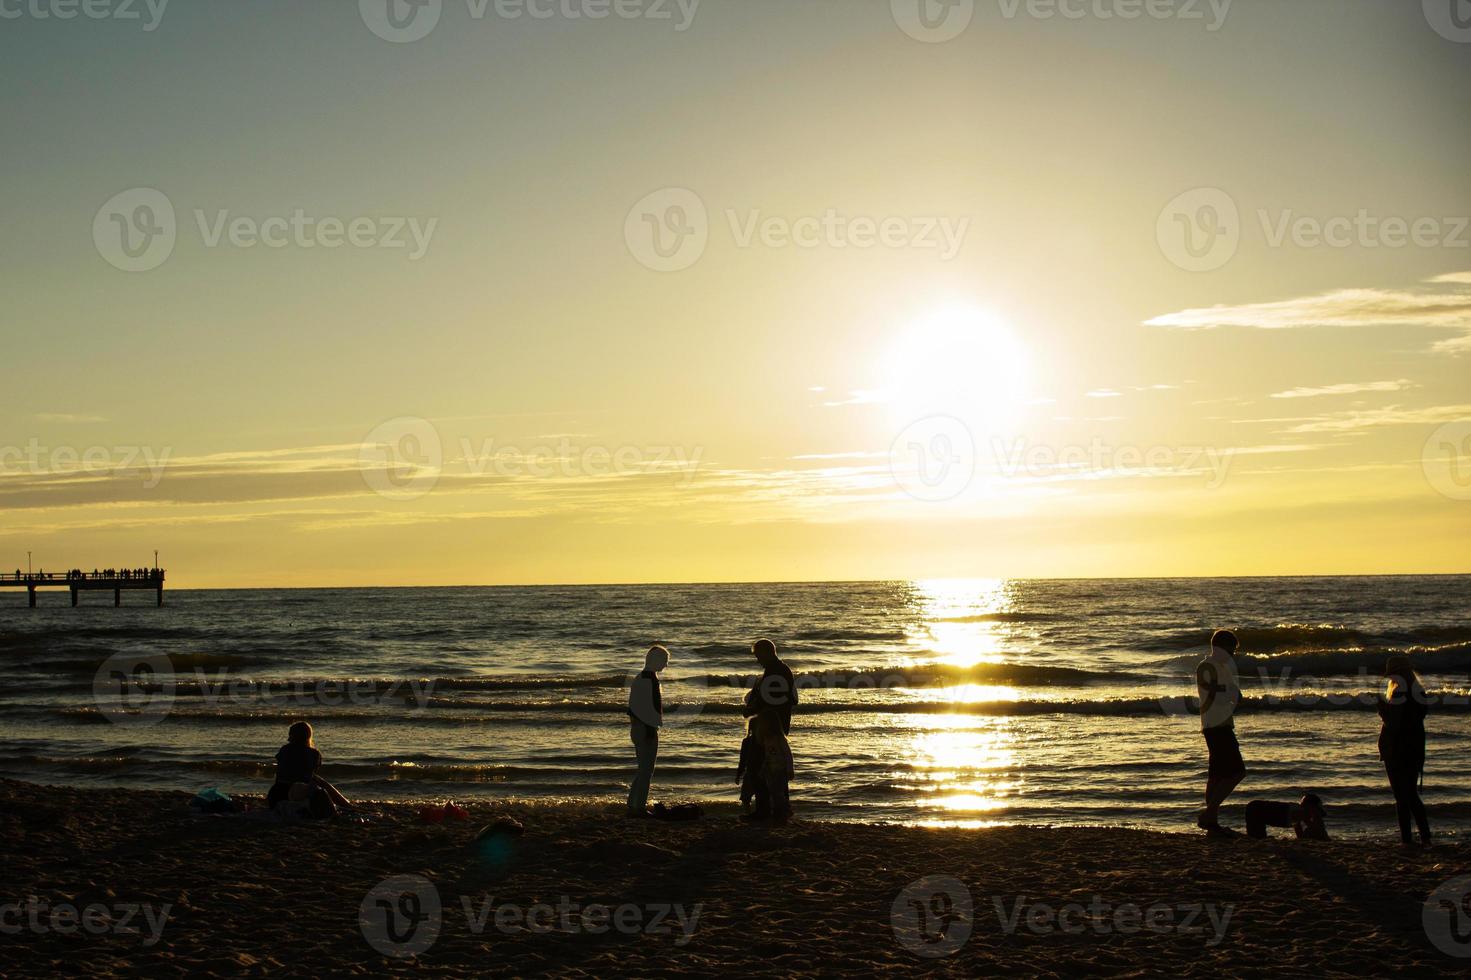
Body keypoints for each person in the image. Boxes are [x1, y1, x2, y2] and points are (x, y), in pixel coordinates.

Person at [1196, 628, 1245, 838]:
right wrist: (1232, 693)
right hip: (1215, 725)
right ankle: (1209, 814)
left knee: (1216, 775)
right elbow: (1215, 691)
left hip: (1221, 723)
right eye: (1230, 649)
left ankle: (1212, 823)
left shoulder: (1222, 667)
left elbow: (1232, 692)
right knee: (1237, 771)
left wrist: (1234, 694)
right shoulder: (1207, 666)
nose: (1233, 654)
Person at [1379, 656, 1431, 847]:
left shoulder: (1399, 692)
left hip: (1397, 750)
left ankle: (1407, 840)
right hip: (1415, 748)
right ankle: (1425, 836)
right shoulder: (1418, 692)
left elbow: (1393, 724)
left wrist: (1381, 709)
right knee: (1410, 795)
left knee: (1402, 797)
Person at [266, 721, 351, 818]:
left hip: (276, 793)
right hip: (295, 792)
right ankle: (345, 805)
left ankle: (345, 804)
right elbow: (310, 774)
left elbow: (280, 772)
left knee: (318, 780)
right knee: (319, 783)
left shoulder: (284, 749)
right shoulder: (314, 753)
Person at [627, 645, 668, 817]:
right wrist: (651, 730)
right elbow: (644, 710)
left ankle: (633, 804)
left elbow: (634, 708)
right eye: (665, 661)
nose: (666, 666)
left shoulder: (642, 677)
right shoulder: (648, 679)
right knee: (646, 770)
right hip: (644, 728)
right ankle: (639, 807)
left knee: (643, 769)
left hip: (639, 728)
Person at [746, 712, 794, 825]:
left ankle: (785, 811)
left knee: (777, 792)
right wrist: (763, 768)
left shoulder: (779, 739)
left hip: (781, 769)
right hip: (770, 770)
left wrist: (790, 769)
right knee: (773, 792)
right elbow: (768, 756)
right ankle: (780, 812)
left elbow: (788, 754)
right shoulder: (766, 739)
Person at [1244, 794, 1328, 840]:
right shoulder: (1301, 812)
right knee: (1256, 838)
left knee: (1257, 838)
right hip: (1256, 809)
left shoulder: (1299, 816)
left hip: (1257, 811)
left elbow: (1300, 835)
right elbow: (1317, 830)